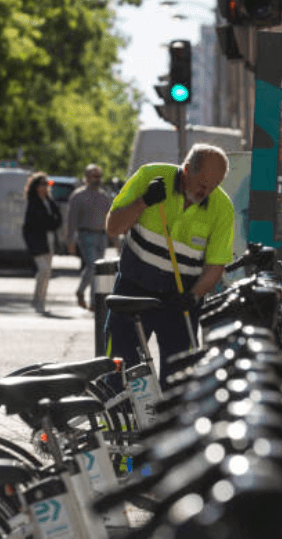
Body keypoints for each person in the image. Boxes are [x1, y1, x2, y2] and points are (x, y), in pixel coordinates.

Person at [104, 144, 233, 390]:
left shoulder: (222, 207)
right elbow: (113, 228)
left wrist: (194, 295)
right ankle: (119, 412)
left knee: (180, 380)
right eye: (202, 185)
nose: (206, 192)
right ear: (187, 170)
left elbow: (216, 265)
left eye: (214, 187)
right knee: (119, 372)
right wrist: (143, 202)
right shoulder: (150, 176)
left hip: (179, 299)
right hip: (133, 291)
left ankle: (168, 415)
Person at [67, 164, 113, 311]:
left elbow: (110, 218)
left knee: (98, 269)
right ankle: (82, 291)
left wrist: (116, 239)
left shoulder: (104, 196)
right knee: (92, 266)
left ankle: (94, 302)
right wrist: (70, 241)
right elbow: (71, 221)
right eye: (94, 176)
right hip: (85, 235)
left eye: (99, 176)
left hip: (102, 236)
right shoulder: (78, 196)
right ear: (86, 178)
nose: (97, 179)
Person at [23, 172, 62, 314]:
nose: (45, 187)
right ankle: (38, 301)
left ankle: (40, 300)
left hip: (49, 239)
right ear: (36, 187)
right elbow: (30, 226)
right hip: (38, 241)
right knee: (43, 271)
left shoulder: (50, 202)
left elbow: (58, 219)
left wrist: (52, 223)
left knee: (46, 273)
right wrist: (31, 245)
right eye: (42, 184)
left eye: (47, 184)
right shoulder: (33, 203)